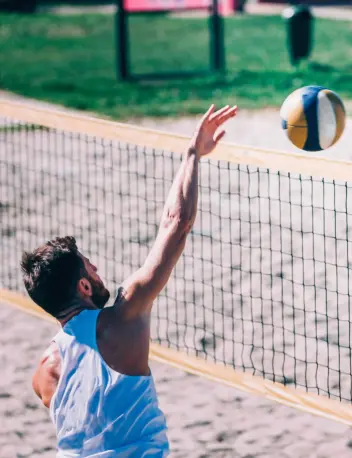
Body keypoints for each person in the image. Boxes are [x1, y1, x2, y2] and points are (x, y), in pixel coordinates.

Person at [22, 104, 238, 457]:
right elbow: (176, 224)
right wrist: (192, 154)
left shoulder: (42, 375)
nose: (97, 269)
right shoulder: (121, 319)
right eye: (89, 268)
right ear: (84, 287)